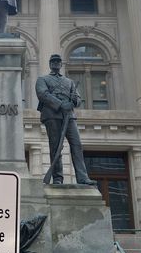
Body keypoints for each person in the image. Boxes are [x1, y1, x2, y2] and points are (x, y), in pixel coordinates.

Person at [35, 54, 97, 185]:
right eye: (53, 62)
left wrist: (74, 101)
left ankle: (82, 177)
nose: (56, 64)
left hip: (69, 116)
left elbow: (78, 99)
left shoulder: (69, 82)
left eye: (58, 62)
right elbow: (42, 94)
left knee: (77, 144)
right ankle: (57, 178)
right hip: (52, 115)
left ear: (61, 64)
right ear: (50, 64)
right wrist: (60, 104)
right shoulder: (43, 79)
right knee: (56, 146)